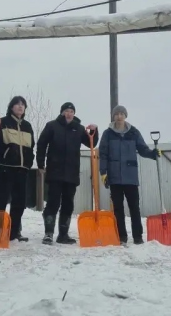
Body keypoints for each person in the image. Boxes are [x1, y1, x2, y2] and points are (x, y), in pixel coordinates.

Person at [36, 102, 98, 245]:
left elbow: (91, 143)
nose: (69, 114)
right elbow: (42, 144)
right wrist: (40, 163)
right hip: (55, 172)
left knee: (68, 204)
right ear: (62, 112)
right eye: (66, 111)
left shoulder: (79, 128)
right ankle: (48, 233)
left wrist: (95, 131)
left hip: (71, 173)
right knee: (53, 202)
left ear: (74, 114)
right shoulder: (52, 126)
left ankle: (63, 235)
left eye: (71, 111)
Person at [99, 105, 160, 245]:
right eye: (116, 114)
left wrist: (153, 154)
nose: (119, 116)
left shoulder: (134, 132)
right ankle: (122, 236)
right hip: (114, 177)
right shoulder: (108, 134)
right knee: (118, 208)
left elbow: (143, 149)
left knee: (134, 207)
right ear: (113, 116)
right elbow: (103, 154)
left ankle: (137, 236)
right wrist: (103, 172)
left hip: (130, 176)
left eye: (122, 114)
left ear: (125, 116)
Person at [0, 95, 35, 242]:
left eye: (23, 104)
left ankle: (13, 233)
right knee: (0, 201)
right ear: (11, 107)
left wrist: (29, 162)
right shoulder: (2, 122)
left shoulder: (28, 126)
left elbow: (31, 146)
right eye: (17, 104)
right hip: (7, 169)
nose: (20, 106)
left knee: (19, 203)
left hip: (22, 170)